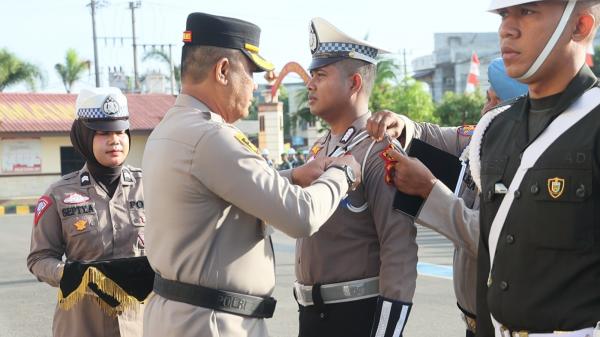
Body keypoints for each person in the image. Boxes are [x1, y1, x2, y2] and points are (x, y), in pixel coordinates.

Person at [141, 12, 361, 337]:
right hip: (213, 322)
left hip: (184, 316)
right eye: (251, 74)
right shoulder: (210, 137)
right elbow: (301, 216)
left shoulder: (172, 128)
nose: (254, 87)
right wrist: (343, 172)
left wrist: (293, 176)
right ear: (223, 70)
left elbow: (223, 197)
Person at [366, 58, 527, 337]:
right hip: (474, 325)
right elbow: (433, 136)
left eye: (495, 102)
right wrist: (400, 124)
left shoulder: (528, 162)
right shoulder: (479, 140)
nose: (485, 109)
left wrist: (428, 190)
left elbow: (491, 237)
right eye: (487, 99)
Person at [471, 0, 600, 336]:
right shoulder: (495, 130)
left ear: (580, 27)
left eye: (527, 12)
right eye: (503, 14)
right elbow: (489, 261)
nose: (506, 29)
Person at [292, 17, 417, 337]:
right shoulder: (322, 148)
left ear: (354, 83)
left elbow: (398, 249)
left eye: (321, 74)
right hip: (313, 316)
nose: (310, 83)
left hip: (356, 317)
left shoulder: (379, 150)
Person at [27, 87, 147, 337]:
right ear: (83, 136)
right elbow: (39, 259)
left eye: (120, 131)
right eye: (103, 132)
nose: (115, 140)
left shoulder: (153, 187)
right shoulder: (58, 195)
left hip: (144, 324)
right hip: (82, 325)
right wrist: (70, 274)